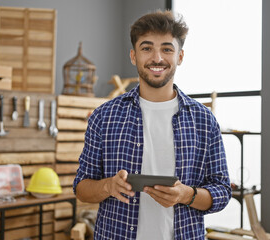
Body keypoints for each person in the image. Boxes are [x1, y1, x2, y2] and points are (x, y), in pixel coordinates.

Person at [73, 10, 231, 240]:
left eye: (167, 49)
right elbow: (81, 187)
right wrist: (108, 186)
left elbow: (223, 191)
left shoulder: (204, 121)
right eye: (146, 48)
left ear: (180, 56)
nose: (157, 58)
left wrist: (186, 195)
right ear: (133, 56)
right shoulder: (103, 116)